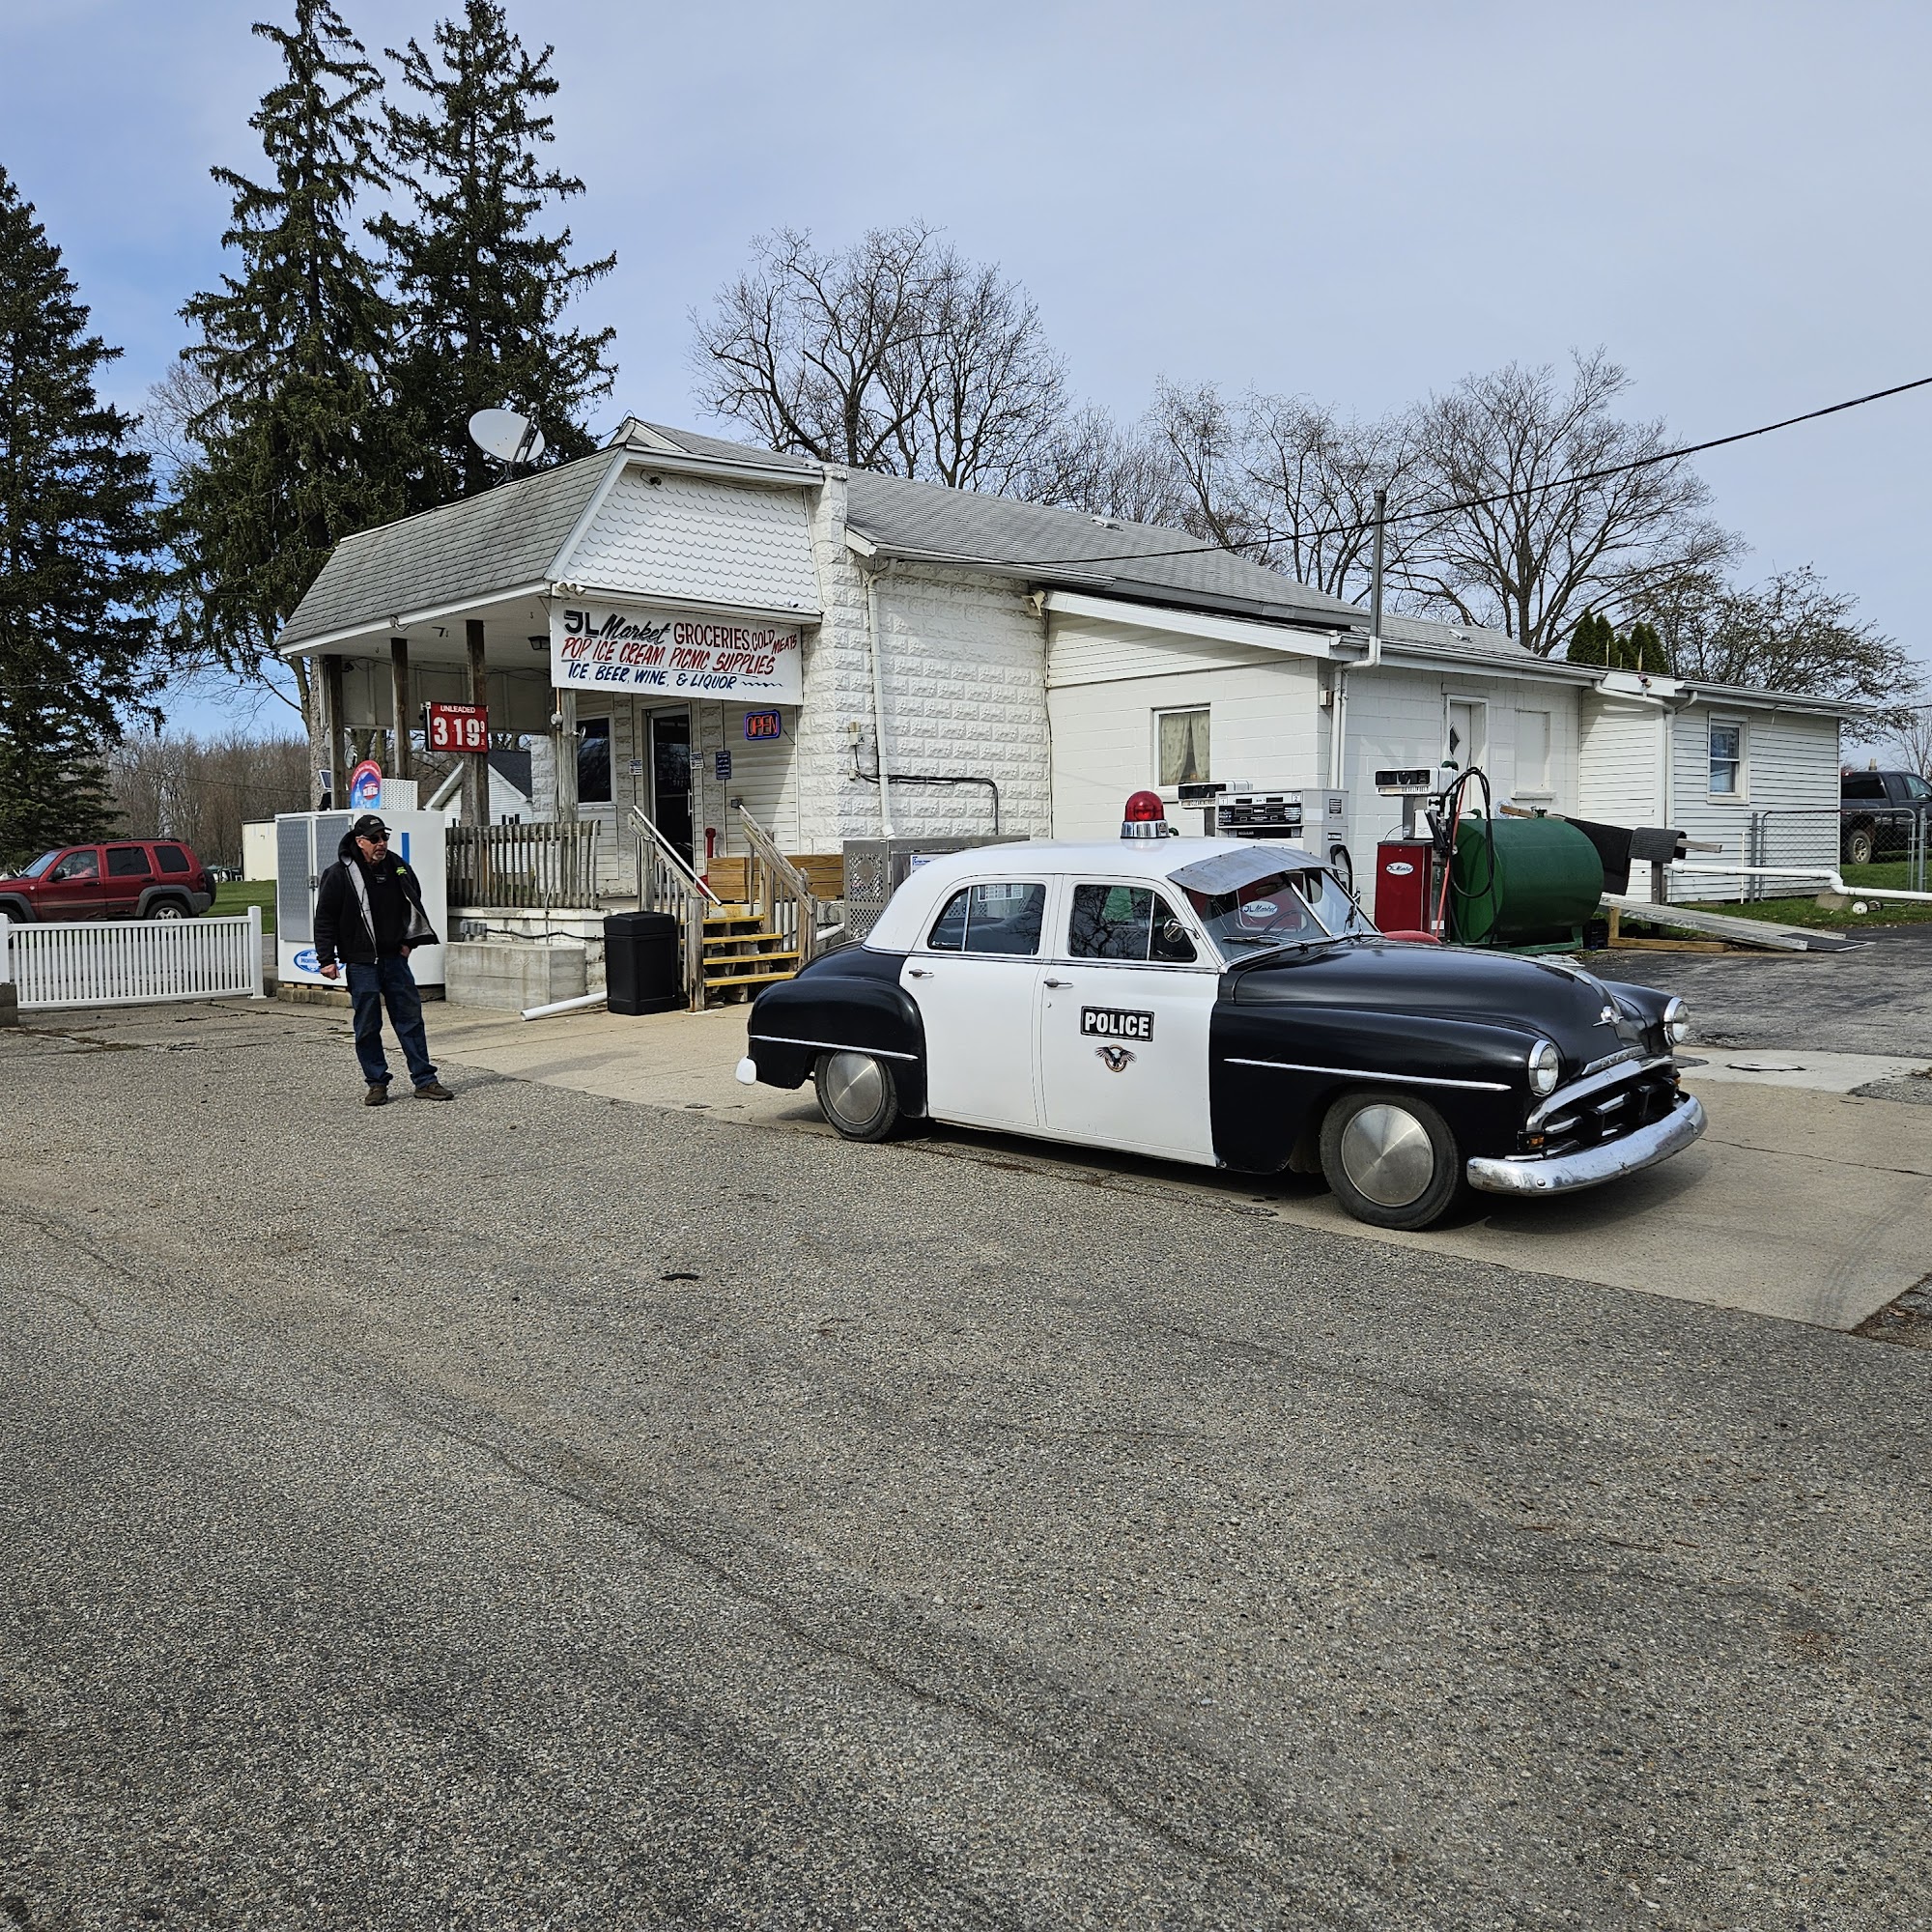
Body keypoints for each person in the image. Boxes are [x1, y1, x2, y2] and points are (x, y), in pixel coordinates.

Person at [313, 813, 453, 1106]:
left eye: (384, 837)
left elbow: (413, 901)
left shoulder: (397, 867)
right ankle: (377, 1084)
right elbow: (324, 918)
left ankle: (425, 1081)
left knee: (411, 1021)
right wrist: (326, 958)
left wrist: (409, 942)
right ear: (359, 841)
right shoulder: (338, 874)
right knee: (367, 1025)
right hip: (361, 962)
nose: (381, 843)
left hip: (395, 960)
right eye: (374, 839)